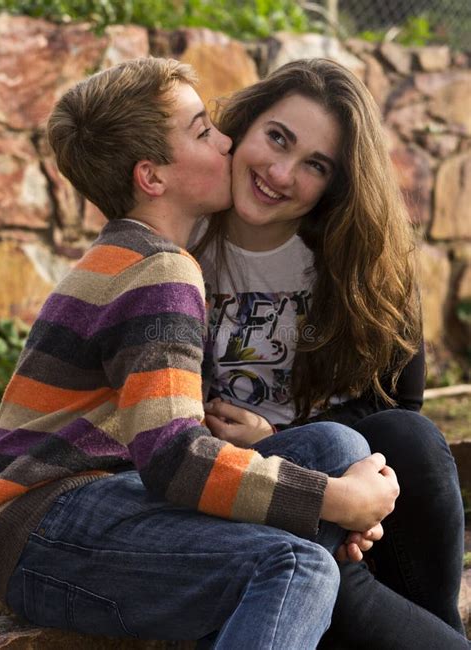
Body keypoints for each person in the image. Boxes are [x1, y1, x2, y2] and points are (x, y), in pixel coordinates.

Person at [0, 57, 402, 649]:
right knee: (298, 566)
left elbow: (165, 454)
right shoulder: (160, 271)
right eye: (202, 130)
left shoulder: (134, 254)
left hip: (103, 503)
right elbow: (176, 462)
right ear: (153, 177)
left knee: (336, 445)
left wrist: (328, 495)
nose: (226, 139)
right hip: (46, 526)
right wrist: (338, 501)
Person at [193, 58, 468, 648]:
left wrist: (306, 458)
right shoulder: (181, 240)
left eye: (315, 164)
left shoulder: (360, 256)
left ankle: (439, 621)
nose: (280, 172)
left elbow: (401, 401)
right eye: (277, 137)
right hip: (235, 493)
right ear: (244, 123)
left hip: (344, 481)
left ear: (338, 182)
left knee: (411, 439)